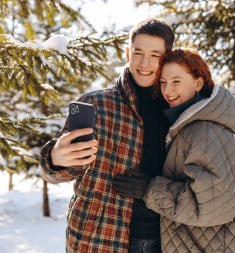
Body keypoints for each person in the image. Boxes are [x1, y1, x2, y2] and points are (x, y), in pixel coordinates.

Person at [40, 18, 174, 252]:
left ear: (167, 58)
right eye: (138, 52)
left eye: (155, 55)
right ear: (127, 53)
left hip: (164, 241)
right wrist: (55, 159)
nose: (144, 63)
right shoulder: (96, 104)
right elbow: (56, 174)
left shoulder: (176, 111)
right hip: (98, 239)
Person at [113, 48, 235, 252]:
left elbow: (212, 204)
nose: (168, 90)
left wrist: (150, 190)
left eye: (176, 81)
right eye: (163, 82)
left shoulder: (204, 130)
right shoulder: (187, 126)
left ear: (198, 83)